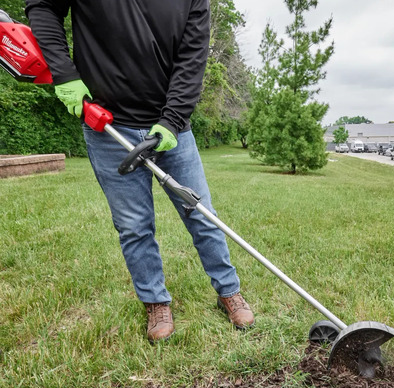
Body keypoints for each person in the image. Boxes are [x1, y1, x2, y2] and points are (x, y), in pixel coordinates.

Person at [25, 0, 254, 341]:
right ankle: (155, 302)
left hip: (171, 128)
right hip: (108, 125)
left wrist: (172, 120)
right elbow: (42, 6)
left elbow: (192, 58)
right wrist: (64, 72)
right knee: (134, 226)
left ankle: (229, 291)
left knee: (202, 213)